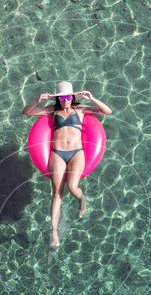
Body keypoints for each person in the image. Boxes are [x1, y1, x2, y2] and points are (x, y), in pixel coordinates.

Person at [22, 80, 112, 248]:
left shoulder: (80, 109)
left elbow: (107, 111)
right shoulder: (52, 111)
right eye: (62, 98)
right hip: (57, 154)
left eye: (68, 97)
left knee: (72, 187)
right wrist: (38, 100)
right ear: (58, 99)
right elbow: (27, 112)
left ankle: (82, 199)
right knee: (57, 193)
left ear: (72, 97)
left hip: (77, 153)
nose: (65, 101)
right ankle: (54, 233)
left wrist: (92, 98)